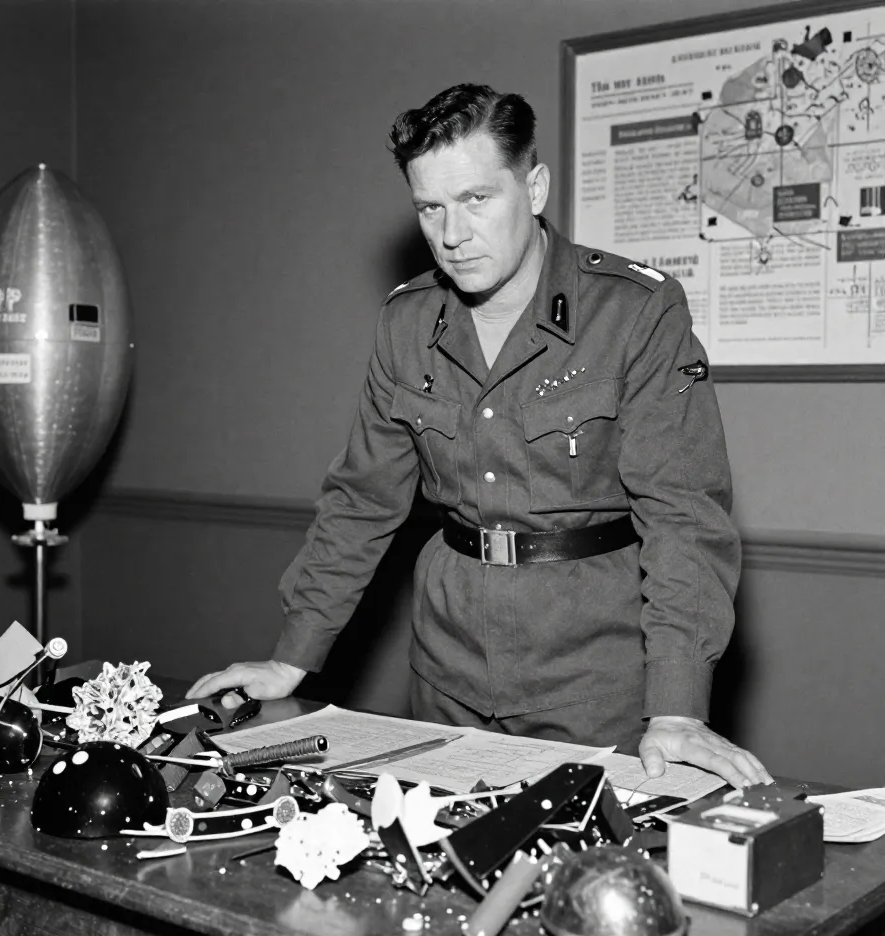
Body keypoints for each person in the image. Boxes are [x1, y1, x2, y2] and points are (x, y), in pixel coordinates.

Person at [188, 84, 772, 789]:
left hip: (596, 677)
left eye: (475, 200)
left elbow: (684, 516)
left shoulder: (635, 313)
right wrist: (292, 657)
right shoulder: (406, 323)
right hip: (448, 669)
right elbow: (362, 499)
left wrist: (677, 706)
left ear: (534, 187)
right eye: (430, 209)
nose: (452, 235)